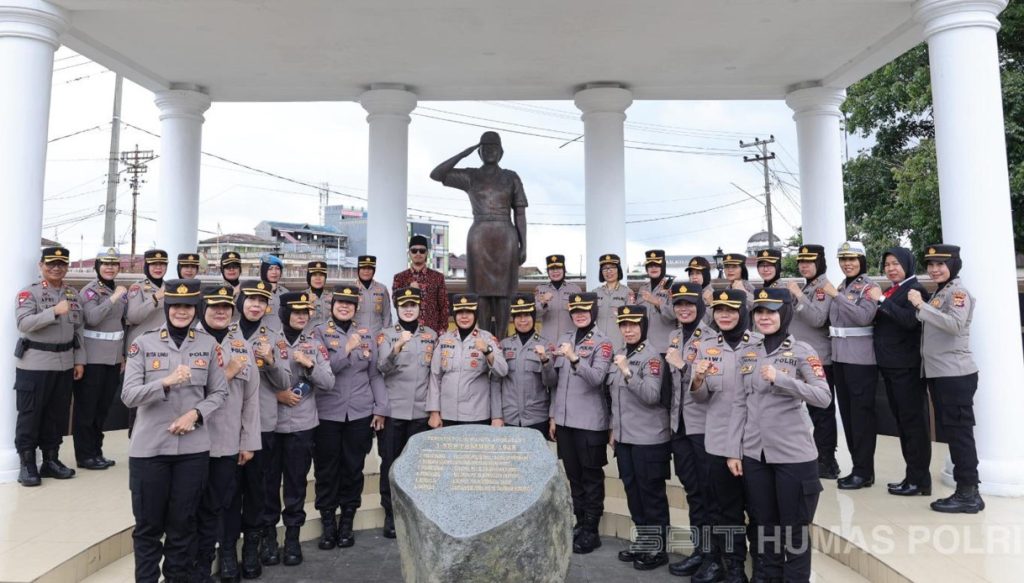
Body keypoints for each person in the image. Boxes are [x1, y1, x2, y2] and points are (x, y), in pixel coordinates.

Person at [121, 278, 228, 583]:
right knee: (148, 528)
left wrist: (195, 414)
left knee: (183, 526)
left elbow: (219, 393)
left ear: (196, 309)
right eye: (176, 305)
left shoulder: (208, 345)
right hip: (150, 451)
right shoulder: (143, 342)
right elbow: (128, 396)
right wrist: (164, 383)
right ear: (167, 307)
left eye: (188, 306)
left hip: (192, 452)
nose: (182, 311)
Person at [727, 288, 830, 582]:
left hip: (794, 457)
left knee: (794, 530)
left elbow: (823, 397)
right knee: (764, 525)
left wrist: (782, 379)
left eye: (770, 311)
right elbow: (738, 404)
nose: (764, 317)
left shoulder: (802, 351)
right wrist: (734, 450)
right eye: (759, 312)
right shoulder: (749, 353)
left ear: (784, 313)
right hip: (755, 455)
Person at [689, 289, 763, 583]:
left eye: (731, 310)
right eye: (719, 310)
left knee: (759, 508)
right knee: (725, 510)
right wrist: (698, 379)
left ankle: (762, 566)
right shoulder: (707, 346)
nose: (725, 315)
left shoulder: (760, 344)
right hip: (718, 440)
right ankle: (732, 566)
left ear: (742, 312)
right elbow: (699, 397)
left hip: (753, 441)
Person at [223, 280, 291, 579]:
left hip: (261, 424)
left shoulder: (274, 337)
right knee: (226, 491)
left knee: (258, 490)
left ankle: (252, 547)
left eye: (262, 301)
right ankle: (226, 551)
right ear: (241, 302)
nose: (256, 305)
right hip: (224, 424)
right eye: (251, 299)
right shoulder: (223, 331)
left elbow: (285, 382)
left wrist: (272, 361)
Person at [429, 131, 528, 336]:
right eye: (485, 148)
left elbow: (520, 212)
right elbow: (437, 174)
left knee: (503, 295)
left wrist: (523, 244)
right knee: (480, 294)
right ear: (479, 152)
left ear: (501, 152)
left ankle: (500, 339)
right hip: (479, 237)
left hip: (505, 237)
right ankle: (484, 341)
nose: (490, 151)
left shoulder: (511, 177)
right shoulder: (470, 176)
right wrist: (463, 153)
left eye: (494, 148)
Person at [193, 285, 261, 582]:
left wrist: (247, 442)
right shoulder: (188, 341)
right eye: (214, 307)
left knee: (228, 501)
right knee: (192, 507)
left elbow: (251, 398)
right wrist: (227, 373)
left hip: (228, 440)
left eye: (225, 307)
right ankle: (196, 566)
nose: (220, 312)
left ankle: (228, 556)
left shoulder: (241, 345)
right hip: (192, 443)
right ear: (202, 309)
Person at [312, 285, 388, 551]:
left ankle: (346, 522)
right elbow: (323, 373)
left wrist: (381, 407)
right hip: (328, 413)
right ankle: (328, 523)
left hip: (359, 412)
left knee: (353, 468)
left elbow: (374, 374)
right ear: (332, 306)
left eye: (350, 304)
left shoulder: (366, 335)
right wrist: (346, 349)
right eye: (340, 303)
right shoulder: (319, 334)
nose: (344, 307)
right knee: (326, 469)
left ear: (356, 308)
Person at [909, 245, 983, 514]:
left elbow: (954, 325)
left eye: (940, 264)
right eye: (930, 264)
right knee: (954, 433)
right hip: (941, 374)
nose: (934, 269)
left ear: (953, 264)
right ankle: (967, 490)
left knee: (960, 435)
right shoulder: (942, 292)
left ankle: (968, 493)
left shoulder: (958, 292)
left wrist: (920, 305)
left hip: (955, 374)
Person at [262, 292, 333, 567]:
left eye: (306, 312)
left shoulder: (314, 345)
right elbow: (253, 380)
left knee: (295, 484)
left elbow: (328, 382)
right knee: (268, 485)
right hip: (270, 423)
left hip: (302, 426)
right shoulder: (268, 341)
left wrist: (310, 364)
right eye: (296, 311)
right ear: (284, 313)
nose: (302, 316)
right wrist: (277, 395)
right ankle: (269, 538)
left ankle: (292, 538)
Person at [543, 292, 613, 555]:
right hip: (564, 420)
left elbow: (596, 378)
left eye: (584, 310)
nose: (579, 314)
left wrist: (574, 358)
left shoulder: (602, 343)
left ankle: (591, 529)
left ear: (593, 311)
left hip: (590, 422)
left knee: (591, 476)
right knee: (574, 476)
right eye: (575, 311)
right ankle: (580, 522)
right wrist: (545, 364)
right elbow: (553, 383)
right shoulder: (564, 340)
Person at [607, 305, 671, 571]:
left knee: (651, 495)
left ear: (643, 327)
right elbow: (615, 398)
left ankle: (657, 549)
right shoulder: (621, 353)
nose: (628, 329)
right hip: (625, 438)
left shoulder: (652, 357)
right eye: (624, 325)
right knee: (633, 493)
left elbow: (651, 396)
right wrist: (613, 427)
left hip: (649, 439)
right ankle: (643, 541)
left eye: (633, 325)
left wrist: (627, 372)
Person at [14, 246, 85, 486]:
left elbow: (78, 331)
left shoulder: (72, 294)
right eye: (51, 263)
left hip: (64, 363)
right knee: (31, 415)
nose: (56, 268)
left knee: (57, 415)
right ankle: (27, 464)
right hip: (35, 363)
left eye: (61, 264)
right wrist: (53, 311)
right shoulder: (29, 293)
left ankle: (51, 460)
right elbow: (24, 324)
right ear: (41, 266)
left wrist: (79, 360)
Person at [866, 247, 932, 497]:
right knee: (904, 425)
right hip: (892, 367)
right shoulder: (894, 289)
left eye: (895, 263)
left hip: (907, 367)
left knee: (914, 425)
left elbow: (909, 321)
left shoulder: (915, 290)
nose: (890, 268)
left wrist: (881, 301)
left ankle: (920, 481)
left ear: (907, 264)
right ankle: (911, 477)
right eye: (887, 264)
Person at [663, 283, 718, 579]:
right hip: (679, 425)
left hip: (702, 427)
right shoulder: (674, 336)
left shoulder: (711, 338)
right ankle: (700, 551)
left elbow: (706, 385)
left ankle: (714, 556)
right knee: (693, 492)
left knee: (710, 493)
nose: (684, 309)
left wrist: (683, 366)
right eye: (679, 304)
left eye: (689, 304)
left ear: (700, 305)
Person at [377, 287, 437, 538]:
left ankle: (415, 513)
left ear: (419, 307)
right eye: (404, 305)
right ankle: (391, 514)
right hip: (394, 411)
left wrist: (435, 410)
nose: (409, 309)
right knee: (390, 464)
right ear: (397, 308)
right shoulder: (387, 334)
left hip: (421, 412)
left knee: (418, 467)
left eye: (413, 304)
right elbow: (381, 368)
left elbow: (435, 375)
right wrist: (397, 347)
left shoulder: (431, 336)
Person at [826, 241, 880, 490]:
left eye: (852, 259)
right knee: (847, 416)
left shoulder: (870, 288)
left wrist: (836, 297)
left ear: (862, 261)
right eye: (843, 259)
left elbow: (863, 317)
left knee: (862, 418)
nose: (847, 263)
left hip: (860, 360)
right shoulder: (842, 286)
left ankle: (864, 471)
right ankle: (858, 468)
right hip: (839, 357)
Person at [787, 245, 840, 479]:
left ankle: (827, 461)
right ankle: (813, 455)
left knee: (822, 411)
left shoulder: (823, 288)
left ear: (819, 263)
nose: (804, 266)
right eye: (801, 262)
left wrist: (798, 296)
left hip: (818, 358)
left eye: (809, 262)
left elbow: (818, 319)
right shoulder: (809, 286)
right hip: (798, 356)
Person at [74, 247, 127, 470]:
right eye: (105, 264)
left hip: (113, 359)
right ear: (97, 266)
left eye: (114, 264)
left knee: (102, 409)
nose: (109, 268)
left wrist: (122, 355)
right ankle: (85, 455)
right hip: (93, 358)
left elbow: (122, 325)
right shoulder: (90, 291)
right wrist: (114, 298)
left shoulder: (117, 289)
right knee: (87, 410)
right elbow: (93, 318)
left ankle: (96, 451)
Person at [427, 293, 508, 427]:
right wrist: (434, 412)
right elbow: (435, 377)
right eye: (460, 312)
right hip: (447, 414)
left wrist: (487, 351)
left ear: (475, 314)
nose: (464, 316)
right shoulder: (444, 340)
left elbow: (502, 371)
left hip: (476, 415)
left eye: (469, 312)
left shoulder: (487, 338)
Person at [494, 294, 554, 436]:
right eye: (518, 316)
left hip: (537, 417)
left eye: (527, 315)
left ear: (533, 317)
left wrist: (545, 361)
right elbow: (496, 383)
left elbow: (552, 383)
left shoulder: (545, 344)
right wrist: (496, 415)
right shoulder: (504, 345)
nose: (522, 320)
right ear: (513, 319)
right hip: (509, 417)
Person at [392, 234, 450, 335]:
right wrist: (409, 290)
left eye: (422, 251)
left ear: (427, 253)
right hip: (407, 332)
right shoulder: (400, 278)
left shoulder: (437, 277)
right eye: (414, 250)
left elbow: (444, 306)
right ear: (409, 253)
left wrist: (442, 331)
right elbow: (395, 303)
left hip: (432, 332)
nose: (418, 253)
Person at [534, 254, 582, 345]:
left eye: (558, 268)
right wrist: (542, 302)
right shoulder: (540, 290)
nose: (555, 271)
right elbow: (534, 315)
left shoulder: (575, 289)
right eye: (552, 269)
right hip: (547, 341)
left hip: (570, 340)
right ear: (548, 272)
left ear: (564, 269)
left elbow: (582, 315)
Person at [636, 249, 676, 353]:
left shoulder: (672, 287)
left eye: (657, 265)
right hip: (644, 347)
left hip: (664, 347)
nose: (653, 268)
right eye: (650, 265)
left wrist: (657, 302)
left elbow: (674, 314)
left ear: (663, 267)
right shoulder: (642, 289)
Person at [126, 249, 169, 345]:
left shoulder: (169, 287)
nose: (158, 268)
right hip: (141, 343)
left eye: (162, 264)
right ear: (147, 266)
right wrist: (154, 298)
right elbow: (133, 317)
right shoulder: (137, 287)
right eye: (154, 264)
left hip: (164, 343)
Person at [592, 253, 634, 351]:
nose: (608, 271)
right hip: (598, 344)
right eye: (605, 268)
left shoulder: (627, 292)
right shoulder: (595, 293)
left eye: (612, 268)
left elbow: (631, 321)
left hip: (619, 343)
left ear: (618, 269)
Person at [353, 255, 393, 334]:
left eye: (369, 268)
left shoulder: (382, 289)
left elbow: (387, 315)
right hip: (356, 336)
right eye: (363, 268)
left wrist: (386, 336)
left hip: (376, 336)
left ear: (374, 270)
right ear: (358, 270)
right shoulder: (351, 289)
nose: (366, 271)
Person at [260, 255, 289, 332]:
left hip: (283, 338)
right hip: (264, 338)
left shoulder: (286, 293)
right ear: (264, 271)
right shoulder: (258, 292)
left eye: (277, 268)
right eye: (270, 269)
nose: (274, 272)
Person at [305, 260, 332, 328]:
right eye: (314, 275)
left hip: (328, 336)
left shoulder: (332, 297)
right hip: (307, 336)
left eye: (321, 275)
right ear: (309, 278)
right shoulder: (302, 297)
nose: (318, 278)